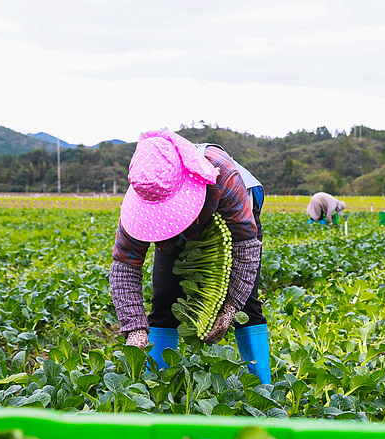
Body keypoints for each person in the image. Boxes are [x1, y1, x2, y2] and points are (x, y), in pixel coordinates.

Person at [109, 130, 271, 384]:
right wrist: (134, 328)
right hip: (187, 218)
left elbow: (246, 246)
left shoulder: (223, 176)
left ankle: (263, 387)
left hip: (231, 217)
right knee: (164, 297)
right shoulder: (146, 188)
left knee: (247, 304)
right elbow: (124, 265)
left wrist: (230, 307)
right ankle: (158, 385)